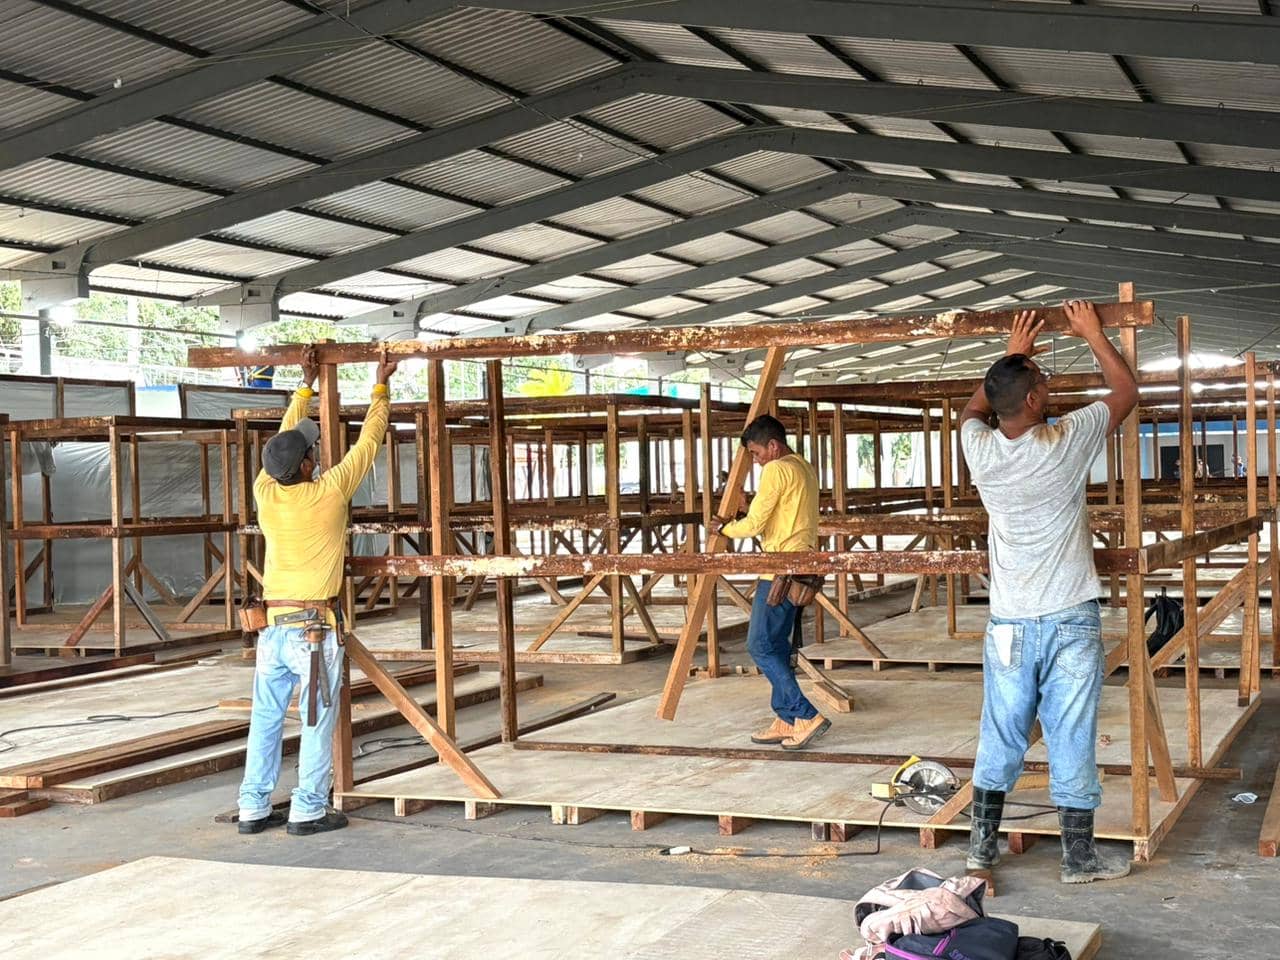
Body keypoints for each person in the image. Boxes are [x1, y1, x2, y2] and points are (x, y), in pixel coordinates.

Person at [958, 301, 1138, 884]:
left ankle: (980, 850)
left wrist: (1014, 356)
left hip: (1008, 622)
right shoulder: (1062, 441)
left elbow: (972, 408)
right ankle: (1077, 858)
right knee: (1071, 729)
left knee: (1001, 730)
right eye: (1042, 381)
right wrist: (1091, 332)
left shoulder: (980, 449)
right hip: (1068, 617)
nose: (1048, 386)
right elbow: (1125, 391)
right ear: (1034, 402)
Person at [236, 354, 398, 836]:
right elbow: (369, 444)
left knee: (264, 720)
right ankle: (307, 808)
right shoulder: (328, 492)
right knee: (315, 721)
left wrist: (303, 390)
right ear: (307, 466)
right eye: (312, 454)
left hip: (272, 628)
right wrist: (379, 390)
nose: (317, 456)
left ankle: (253, 806)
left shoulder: (265, 490)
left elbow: (279, 446)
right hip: (314, 631)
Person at [710, 415, 828, 750]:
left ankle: (804, 714)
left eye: (757, 453)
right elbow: (780, 516)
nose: (757, 460)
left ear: (772, 446)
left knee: (759, 645)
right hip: (800, 564)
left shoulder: (776, 469)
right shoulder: (803, 467)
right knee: (776, 645)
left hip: (779, 568)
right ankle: (786, 717)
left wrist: (723, 528)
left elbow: (755, 524)